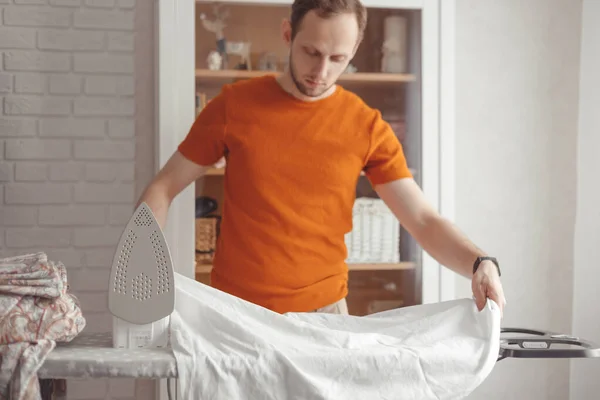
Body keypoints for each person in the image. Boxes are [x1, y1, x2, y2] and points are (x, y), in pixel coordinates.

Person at [137, 0, 506, 317]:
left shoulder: (367, 126)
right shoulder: (234, 106)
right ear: (287, 35)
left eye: (338, 58)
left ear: (355, 49)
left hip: (326, 315)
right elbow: (164, 187)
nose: (322, 71)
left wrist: (481, 263)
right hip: (237, 311)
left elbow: (423, 220)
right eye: (311, 52)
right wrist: (140, 266)